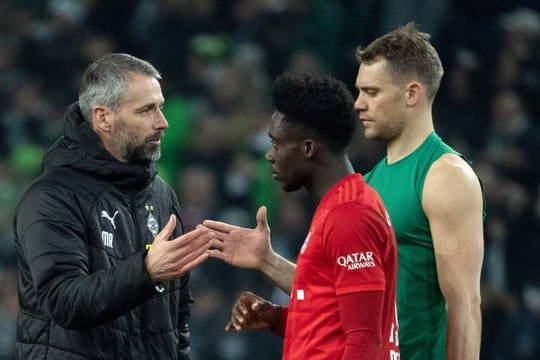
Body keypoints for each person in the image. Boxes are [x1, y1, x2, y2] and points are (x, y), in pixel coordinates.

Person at [13, 53, 213, 359]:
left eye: (160, 106)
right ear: (103, 118)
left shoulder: (161, 195)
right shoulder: (52, 197)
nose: (163, 122)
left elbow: (178, 317)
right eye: (146, 110)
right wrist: (146, 270)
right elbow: (62, 302)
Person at [205, 71, 400, 359]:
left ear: (308, 148)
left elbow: (365, 340)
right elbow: (333, 318)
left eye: (276, 143)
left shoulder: (350, 215)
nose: (270, 155)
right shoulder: (340, 206)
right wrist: (277, 317)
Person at [355, 22, 484, 359]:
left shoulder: (446, 176)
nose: (358, 104)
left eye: (371, 92)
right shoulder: (366, 183)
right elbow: (341, 291)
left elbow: (465, 305)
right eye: (359, 91)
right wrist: (267, 261)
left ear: (412, 93)